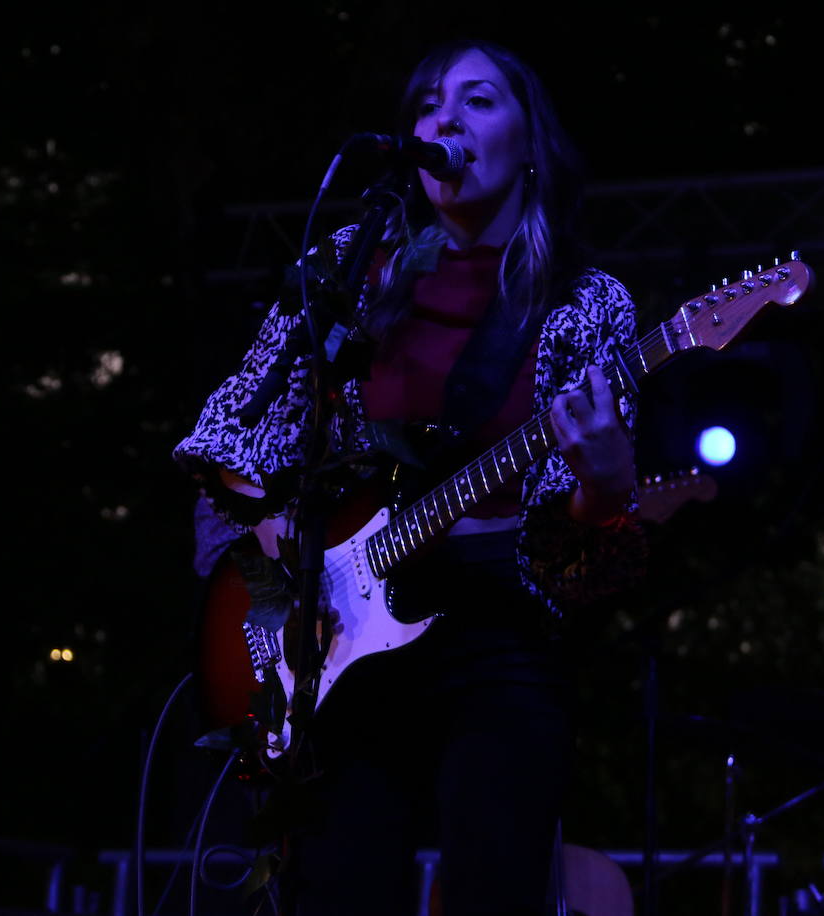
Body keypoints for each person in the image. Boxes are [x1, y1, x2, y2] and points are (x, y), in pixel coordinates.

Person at [173, 39, 644, 915]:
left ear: (530, 143)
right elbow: (227, 429)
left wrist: (605, 490)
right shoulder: (351, 268)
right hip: (341, 639)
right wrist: (279, 539)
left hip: (498, 635)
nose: (445, 120)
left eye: (479, 100)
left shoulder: (588, 302)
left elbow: (583, 572)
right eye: (429, 103)